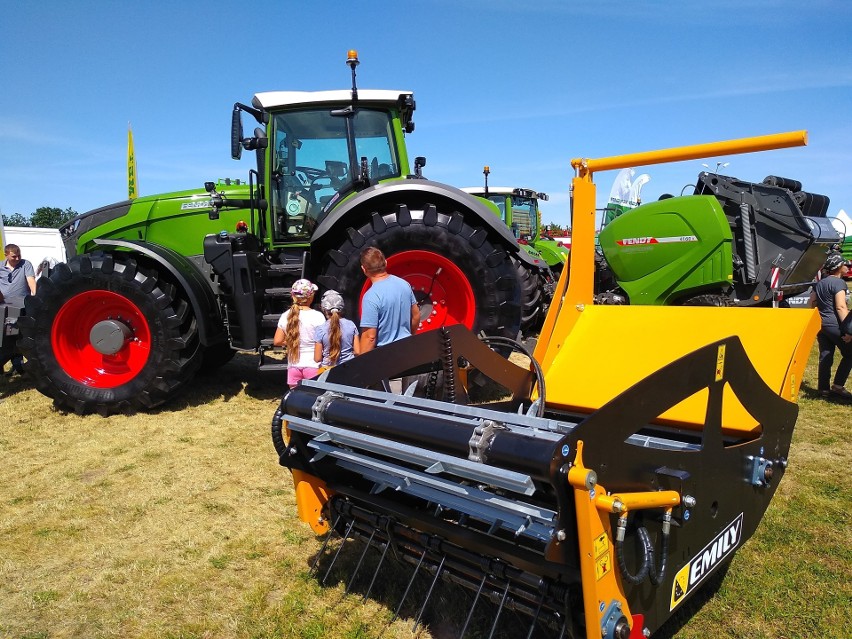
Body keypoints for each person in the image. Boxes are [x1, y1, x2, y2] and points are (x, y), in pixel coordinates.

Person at [359, 247, 420, 354]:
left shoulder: (371, 296)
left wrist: (359, 365)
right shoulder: (404, 284)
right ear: (385, 263)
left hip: (386, 355)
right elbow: (416, 316)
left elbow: (370, 337)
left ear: (364, 269)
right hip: (407, 349)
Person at [808, 253, 852, 400]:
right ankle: (838, 386)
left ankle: (823, 389)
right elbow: (840, 307)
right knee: (850, 354)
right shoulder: (839, 283)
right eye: (845, 264)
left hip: (821, 324)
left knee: (826, 355)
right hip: (836, 325)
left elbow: (812, 303)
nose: (848, 266)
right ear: (838, 268)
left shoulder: (819, 283)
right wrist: (849, 329)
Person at [273, 278, 325, 389]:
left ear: (293, 296)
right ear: (311, 297)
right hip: (313, 365)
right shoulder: (318, 316)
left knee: (295, 402)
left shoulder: (286, 316)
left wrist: (293, 340)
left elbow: (277, 341)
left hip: (293, 366)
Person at [0, 244, 37, 376]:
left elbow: (31, 281)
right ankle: (16, 366)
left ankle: (18, 366)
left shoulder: (25, 264)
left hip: (21, 306)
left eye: (19, 255)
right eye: (13, 256)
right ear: (6, 255)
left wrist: (36, 297)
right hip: (6, 306)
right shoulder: (0, 267)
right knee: (10, 337)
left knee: (17, 336)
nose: (17, 258)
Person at [313, 290, 360, 371]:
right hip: (348, 368)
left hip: (327, 371)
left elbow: (317, 358)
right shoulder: (351, 325)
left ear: (323, 308)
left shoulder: (320, 329)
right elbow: (357, 351)